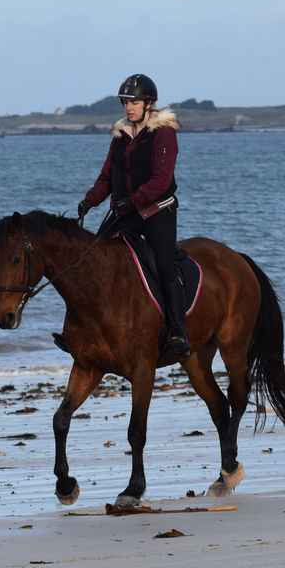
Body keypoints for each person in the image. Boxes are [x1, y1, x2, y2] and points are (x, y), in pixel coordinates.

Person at [76, 73, 191, 358]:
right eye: (126, 102)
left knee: (164, 263)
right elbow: (106, 176)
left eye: (134, 102)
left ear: (149, 103)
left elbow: (161, 180)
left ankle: (178, 331)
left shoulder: (164, 133)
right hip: (125, 210)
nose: (129, 107)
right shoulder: (120, 136)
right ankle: (87, 329)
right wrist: (90, 200)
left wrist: (134, 200)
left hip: (157, 210)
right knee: (93, 260)